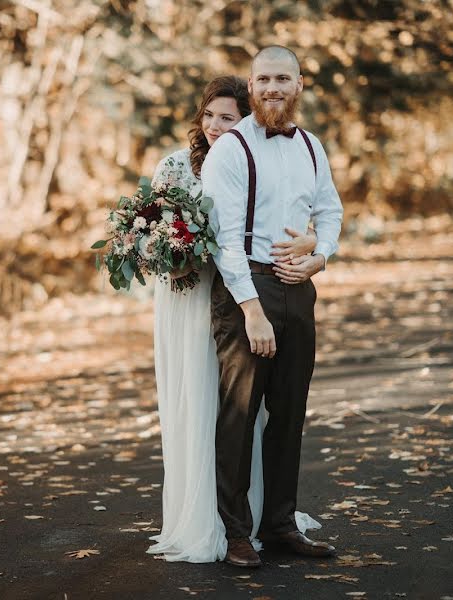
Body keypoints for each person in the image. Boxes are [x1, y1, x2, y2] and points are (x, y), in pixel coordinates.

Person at [147, 75, 321, 563]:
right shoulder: (175, 167)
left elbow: (293, 217)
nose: (217, 126)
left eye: (229, 117)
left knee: (260, 409)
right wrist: (170, 251)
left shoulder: (263, 157)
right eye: (209, 116)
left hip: (243, 290)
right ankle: (215, 519)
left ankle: (267, 517)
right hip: (191, 301)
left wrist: (314, 246)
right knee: (215, 407)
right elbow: (156, 236)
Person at [202, 46, 344, 568]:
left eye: (282, 78)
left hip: (298, 292)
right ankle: (237, 532)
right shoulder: (231, 150)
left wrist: (320, 257)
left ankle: (281, 525)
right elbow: (224, 241)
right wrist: (252, 311)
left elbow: (330, 209)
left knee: (289, 413)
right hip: (247, 293)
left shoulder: (310, 146)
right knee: (239, 416)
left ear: (300, 85)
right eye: (263, 79)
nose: (272, 88)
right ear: (251, 84)